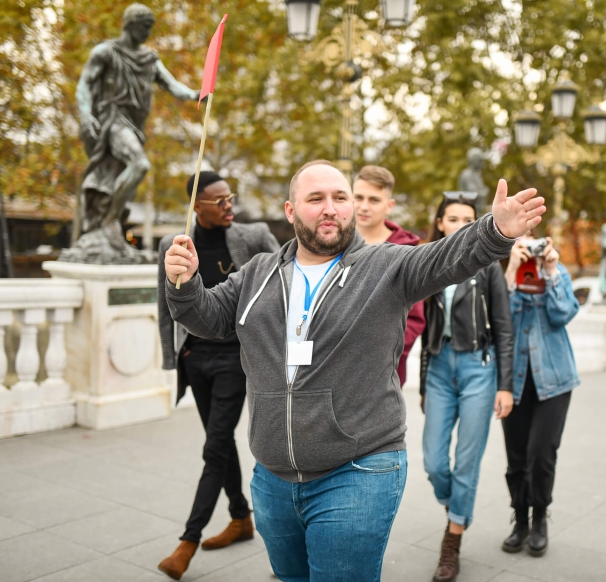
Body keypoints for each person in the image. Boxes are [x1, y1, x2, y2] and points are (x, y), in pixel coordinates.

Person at [163, 160, 545, 582]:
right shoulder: (257, 273)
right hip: (271, 479)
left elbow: (447, 258)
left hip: (359, 472)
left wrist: (495, 231)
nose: (331, 208)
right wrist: (184, 284)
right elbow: (208, 317)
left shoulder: (388, 267)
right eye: (316, 199)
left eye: (340, 198)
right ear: (290, 212)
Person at [155, 172, 279, 580]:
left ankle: (187, 541)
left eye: (231, 198)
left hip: (236, 358)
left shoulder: (254, 235)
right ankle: (241, 518)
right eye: (219, 201)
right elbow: (165, 307)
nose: (230, 206)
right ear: (197, 206)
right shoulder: (173, 246)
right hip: (196, 358)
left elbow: (286, 279)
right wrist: (173, 361)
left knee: (215, 446)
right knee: (218, 441)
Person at [419, 192, 514, 582]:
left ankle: (452, 540)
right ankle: (456, 506)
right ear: (440, 223)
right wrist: (425, 379)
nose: (460, 225)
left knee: (467, 462)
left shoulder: (488, 264)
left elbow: (504, 327)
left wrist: (505, 385)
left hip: (479, 368)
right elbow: (423, 325)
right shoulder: (427, 263)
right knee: (434, 462)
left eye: (468, 219)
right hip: (439, 369)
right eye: (452, 218)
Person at [67, 3, 199, 263]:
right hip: (111, 121)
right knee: (139, 165)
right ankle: (108, 222)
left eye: (150, 28)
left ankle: (106, 224)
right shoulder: (105, 52)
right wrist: (85, 115)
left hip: (134, 125)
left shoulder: (149, 58)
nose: (147, 33)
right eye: (143, 27)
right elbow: (84, 85)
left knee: (123, 172)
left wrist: (198, 95)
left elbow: (174, 86)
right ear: (129, 24)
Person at [500, 233, 580, 557]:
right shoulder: (503, 275)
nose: (529, 249)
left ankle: (539, 518)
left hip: (555, 380)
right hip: (514, 382)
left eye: (533, 242)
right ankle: (520, 519)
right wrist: (511, 272)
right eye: (520, 243)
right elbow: (498, 323)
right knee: (516, 457)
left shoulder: (555, 273)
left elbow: (564, 314)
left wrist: (552, 271)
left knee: (542, 454)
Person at [353, 165, 425, 385]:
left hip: (383, 375)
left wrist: (382, 354)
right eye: (359, 197)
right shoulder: (332, 242)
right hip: (331, 370)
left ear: (389, 205)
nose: (364, 206)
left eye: (374, 200)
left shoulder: (407, 252)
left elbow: (415, 318)